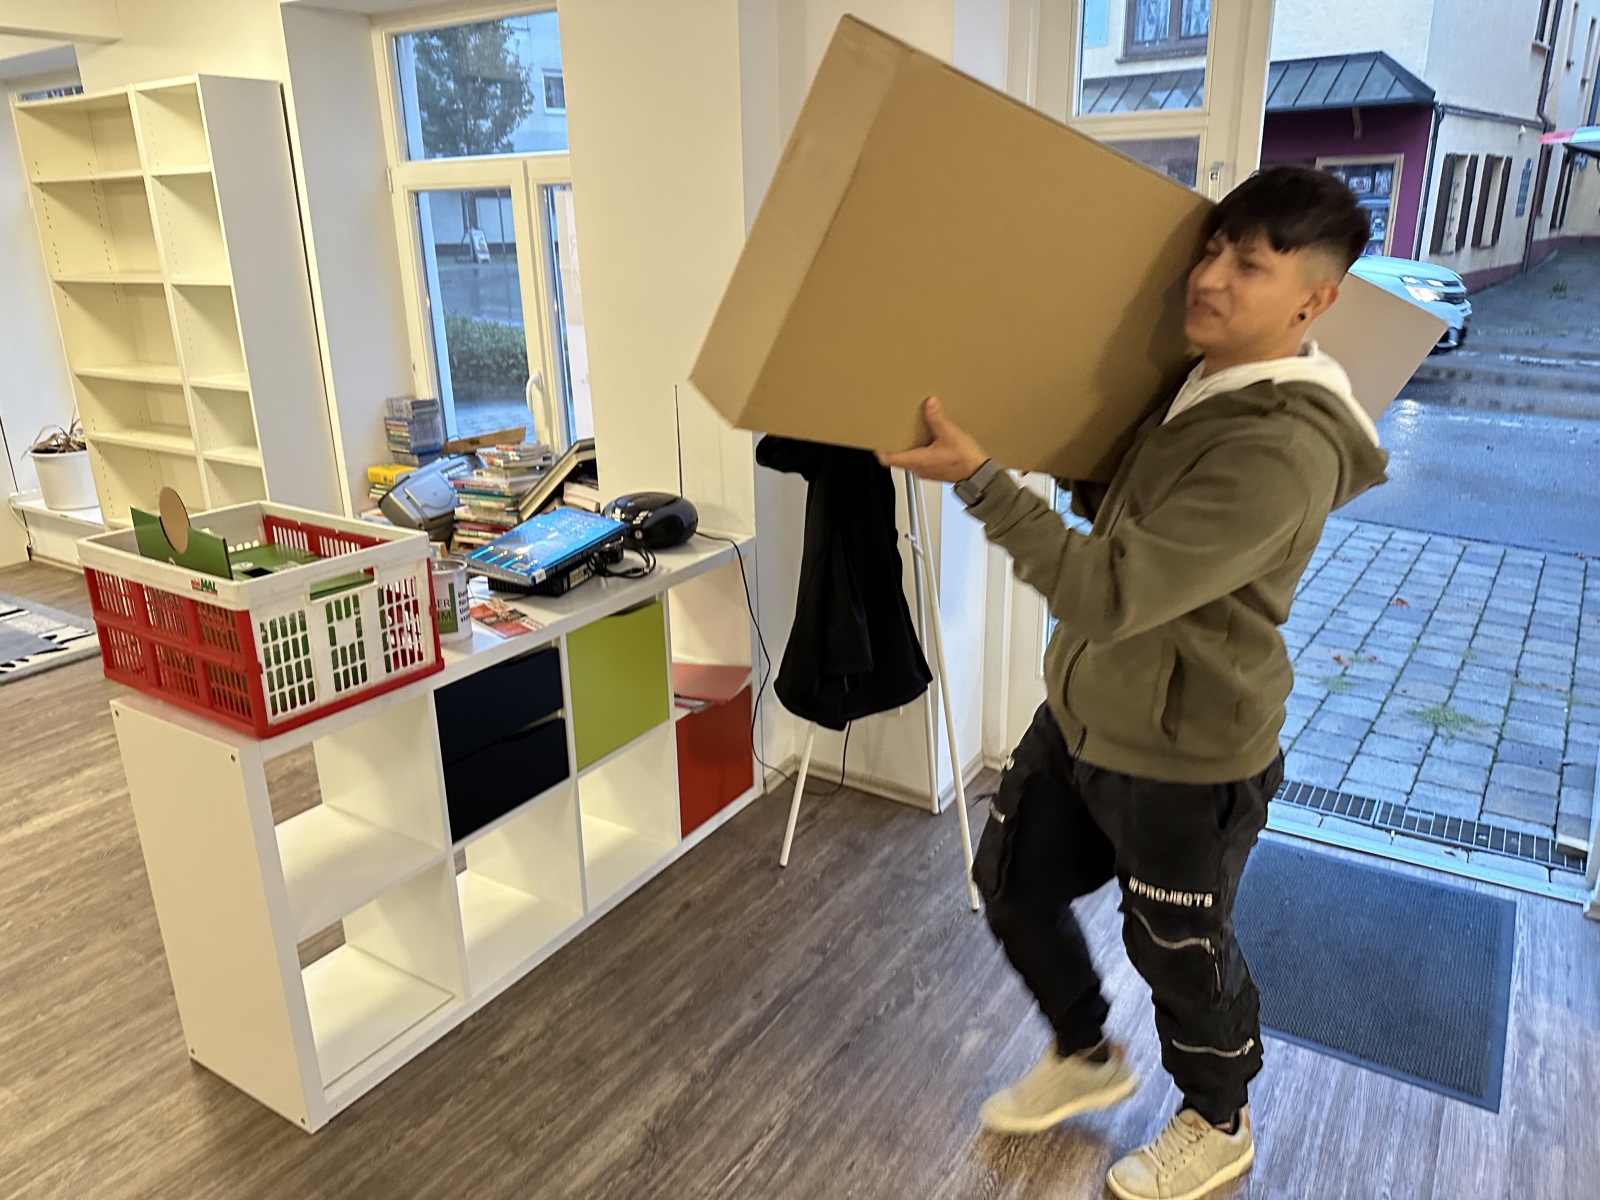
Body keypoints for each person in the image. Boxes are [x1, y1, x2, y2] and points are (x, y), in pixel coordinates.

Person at [881, 165, 1389, 1200]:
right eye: (1213, 250)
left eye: (1250, 265)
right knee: (1010, 884)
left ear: (1314, 300)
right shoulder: (1200, 381)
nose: (1210, 277)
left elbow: (1109, 589)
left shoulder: (1282, 449)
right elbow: (1128, 512)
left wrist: (981, 482)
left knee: (1176, 949)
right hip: (1086, 715)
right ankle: (1084, 1054)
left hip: (1187, 753)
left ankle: (1219, 1120)